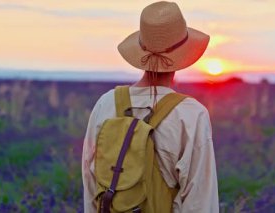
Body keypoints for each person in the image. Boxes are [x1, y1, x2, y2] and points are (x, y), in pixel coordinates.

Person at [82, 1, 219, 212]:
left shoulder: (105, 103)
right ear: (183, 55)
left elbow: (91, 184)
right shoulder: (191, 115)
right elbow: (201, 200)